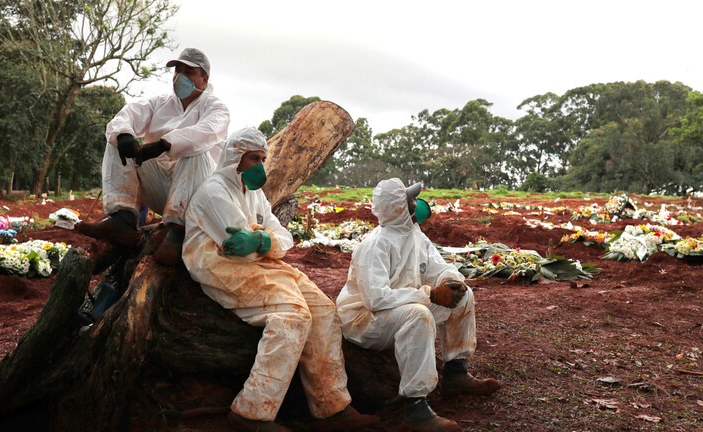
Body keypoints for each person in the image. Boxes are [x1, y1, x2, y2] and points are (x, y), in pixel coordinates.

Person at [182, 127, 379, 432]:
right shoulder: (214, 192)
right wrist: (265, 241)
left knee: (324, 310)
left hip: (262, 263)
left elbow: (285, 239)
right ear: (235, 157)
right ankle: (251, 413)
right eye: (253, 158)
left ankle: (331, 406)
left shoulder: (255, 194)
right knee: (293, 315)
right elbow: (240, 250)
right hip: (219, 266)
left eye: (263, 158)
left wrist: (262, 240)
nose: (260, 165)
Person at [336, 178, 501, 432]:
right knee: (419, 314)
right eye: (411, 200)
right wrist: (430, 295)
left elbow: (438, 266)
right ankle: (416, 407)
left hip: (398, 309)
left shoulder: (414, 235)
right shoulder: (374, 245)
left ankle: (456, 372)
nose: (417, 204)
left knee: (463, 296)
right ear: (398, 208)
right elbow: (375, 299)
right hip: (363, 320)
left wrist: (449, 281)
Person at [75, 47, 230, 266]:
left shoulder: (216, 108)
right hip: (164, 191)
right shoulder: (160, 103)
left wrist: (164, 144)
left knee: (196, 151)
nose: (180, 77)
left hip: (199, 198)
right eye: (177, 71)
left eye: (189, 72)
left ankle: (176, 232)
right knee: (116, 140)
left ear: (204, 80)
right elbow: (126, 116)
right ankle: (122, 220)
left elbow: (205, 133)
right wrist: (125, 135)